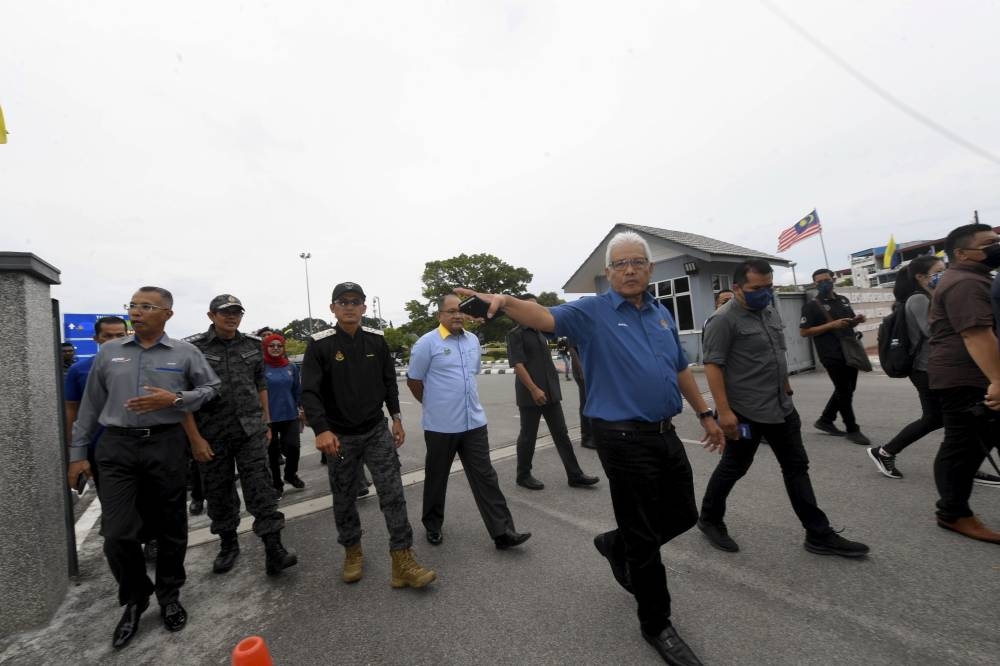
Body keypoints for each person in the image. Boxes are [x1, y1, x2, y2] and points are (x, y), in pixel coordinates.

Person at [455, 230, 726, 666]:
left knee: (684, 514)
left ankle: (616, 545)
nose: (630, 269)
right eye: (621, 264)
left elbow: (679, 368)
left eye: (638, 262)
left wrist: (705, 414)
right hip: (620, 437)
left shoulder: (661, 314)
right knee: (644, 537)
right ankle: (656, 623)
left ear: (650, 269)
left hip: (664, 431)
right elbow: (544, 317)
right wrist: (505, 301)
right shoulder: (593, 312)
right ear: (608, 272)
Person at [66, 287, 220, 649]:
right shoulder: (110, 352)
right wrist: (77, 454)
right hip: (116, 445)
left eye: (146, 306)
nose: (136, 312)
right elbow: (89, 406)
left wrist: (178, 398)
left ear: (167, 313)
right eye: (133, 306)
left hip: (165, 443)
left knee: (170, 527)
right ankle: (136, 597)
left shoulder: (185, 352)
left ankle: (169, 595)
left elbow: (212, 387)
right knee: (118, 533)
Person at [697, 259, 869, 558]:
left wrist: (786, 386)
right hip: (747, 411)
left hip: (781, 407)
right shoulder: (723, 319)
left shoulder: (768, 310)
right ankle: (710, 519)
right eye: (756, 288)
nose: (764, 293)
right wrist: (723, 412)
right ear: (737, 287)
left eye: (769, 287)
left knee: (796, 468)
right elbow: (713, 366)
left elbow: (776, 351)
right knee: (734, 467)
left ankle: (818, 534)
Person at [301, 282, 436, 588]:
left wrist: (397, 419)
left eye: (356, 301)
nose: (349, 306)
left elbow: (389, 382)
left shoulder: (376, 341)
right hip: (339, 436)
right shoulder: (319, 345)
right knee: (345, 496)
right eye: (342, 301)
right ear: (333, 308)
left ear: (364, 307)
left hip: (376, 430)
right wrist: (321, 429)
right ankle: (352, 551)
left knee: (393, 494)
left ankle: (402, 560)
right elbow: (309, 393)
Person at [406, 296, 531, 551]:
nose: (457, 316)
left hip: (473, 422)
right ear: (439, 315)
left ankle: (503, 531)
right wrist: (433, 405)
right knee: (437, 477)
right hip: (441, 425)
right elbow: (414, 381)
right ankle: (432, 525)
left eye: (460, 311)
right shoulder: (426, 344)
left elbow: (470, 374)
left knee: (486, 476)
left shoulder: (473, 341)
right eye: (450, 311)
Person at [185, 294, 297, 577]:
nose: (232, 317)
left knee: (262, 489)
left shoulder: (252, 345)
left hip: (251, 431)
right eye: (225, 313)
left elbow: (260, 383)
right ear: (211, 315)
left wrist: (266, 421)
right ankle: (228, 544)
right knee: (219, 492)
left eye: (236, 312)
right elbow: (183, 395)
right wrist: (195, 438)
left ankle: (274, 548)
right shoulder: (193, 348)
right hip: (212, 433)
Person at [926, 223, 1000, 543]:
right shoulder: (965, 283)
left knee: (965, 445)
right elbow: (976, 334)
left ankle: (952, 508)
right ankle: (953, 512)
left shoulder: (978, 279)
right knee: (962, 447)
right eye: (989, 243)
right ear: (961, 253)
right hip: (967, 378)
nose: (996, 247)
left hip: (972, 375)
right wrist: (998, 379)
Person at [506, 294, 599, 490]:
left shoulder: (542, 332)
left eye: (537, 306)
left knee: (561, 434)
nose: (534, 310)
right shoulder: (516, 334)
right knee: (528, 436)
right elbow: (518, 365)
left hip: (550, 391)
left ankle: (575, 475)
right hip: (531, 393)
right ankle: (523, 475)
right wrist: (534, 389)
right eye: (529, 307)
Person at [866, 256, 945, 479]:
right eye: (938, 271)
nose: (943, 274)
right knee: (947, 418)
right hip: (926, 368)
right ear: (920, 277)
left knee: (937, 418)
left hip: (933, 367)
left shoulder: (926, 296)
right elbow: (932, 331)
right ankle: (961, 465)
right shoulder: (918, 299)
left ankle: (885, 451)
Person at [799, 268, 871, 445]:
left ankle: (826, 419)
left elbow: (849, 320)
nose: (824, 283)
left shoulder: (843, 300)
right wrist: (831, 325)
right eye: (819, 281)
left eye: (826, 279)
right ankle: (852, 429)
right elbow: (804, 331)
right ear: (815, 284)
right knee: (844, 391)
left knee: (848, 388)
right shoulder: (812, 305)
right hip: (830, 353)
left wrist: (857, 320)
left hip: (849, 349)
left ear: (833, 280)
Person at [64, 316, 129, 492]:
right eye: (107, 336)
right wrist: (75, 450)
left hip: (137, 445)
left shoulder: (141, 365)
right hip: (98, 445)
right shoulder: (79, 369)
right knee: (111, 501)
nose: (114, 341)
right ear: (96, 338)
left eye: (119, 335)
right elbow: (72, 410)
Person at [262, 333, 306, 493]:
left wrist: (301, 408)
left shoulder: (291, 367)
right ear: (265, 348)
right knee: (272, 454)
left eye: (279, 346)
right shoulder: (260, 368)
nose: (275, 348)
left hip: (290, 415)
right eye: (271, 345)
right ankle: (276, 483)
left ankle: (290, 474)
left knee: (293, 447)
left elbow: (297, 390)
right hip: (269, 418)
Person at [567, 340, 595, 449]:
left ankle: (594, 434)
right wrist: (581, 369)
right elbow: (572, 348)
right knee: (585, 401)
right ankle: (586, 437)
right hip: (581, 370)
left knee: (592, 400)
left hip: (590, 368)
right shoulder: (578, 324)